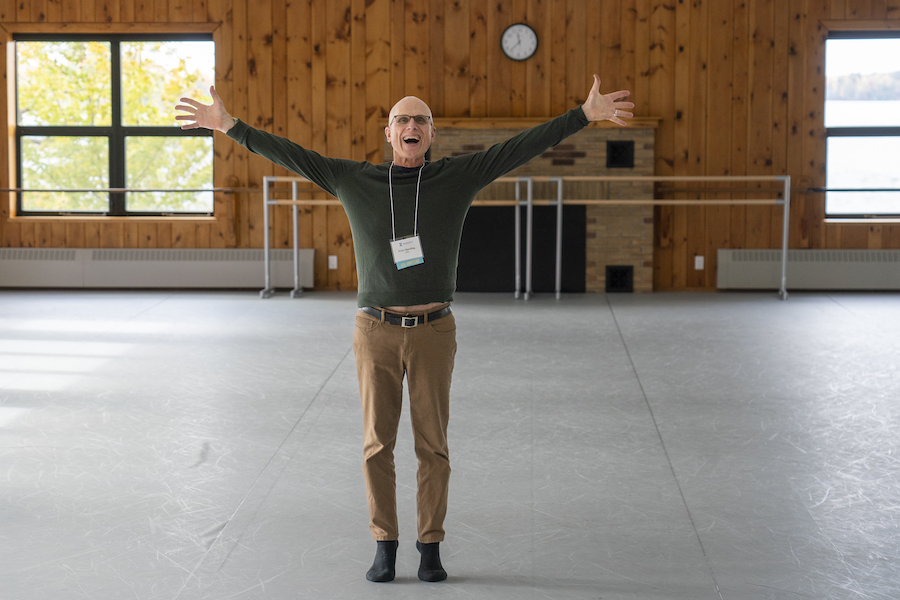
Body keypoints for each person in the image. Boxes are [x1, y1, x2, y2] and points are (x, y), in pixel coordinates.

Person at [176, 75, 634, 583]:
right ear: (388, 133)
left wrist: (581, 115)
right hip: (374, 330)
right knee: (377, 444)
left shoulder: (456, 178)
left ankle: (430, 545)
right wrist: (229, 126)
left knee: (432, 444)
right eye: (402, 119)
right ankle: (384, 544)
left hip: (435, 330)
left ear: (431, 134)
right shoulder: (354, 180)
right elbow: (292, 154)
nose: (411, 125)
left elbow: (517, 149)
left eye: (420, 119)